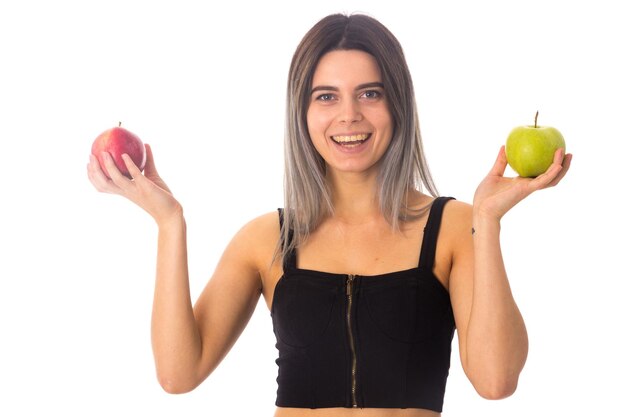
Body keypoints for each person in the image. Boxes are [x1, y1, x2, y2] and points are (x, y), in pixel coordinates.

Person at [87, 12, 572, 417]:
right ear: (303, 112)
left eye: (370, 93)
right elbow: (178, 374)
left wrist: (487, 223)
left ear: (397, 104)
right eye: (326, 96)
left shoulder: (454, 228)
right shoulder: (267, 239)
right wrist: (170, 224)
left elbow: (496, 380)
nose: (348, 116)